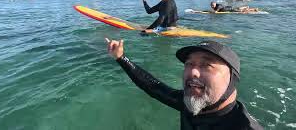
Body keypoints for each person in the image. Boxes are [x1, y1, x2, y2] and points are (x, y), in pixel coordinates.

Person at [105, 38, 263, 130]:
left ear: (232, 79)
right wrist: (121, 57)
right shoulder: (188, 103)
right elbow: (152, 86)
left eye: (207, 65)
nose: (193, 72)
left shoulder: (244, 126)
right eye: (189, 64)